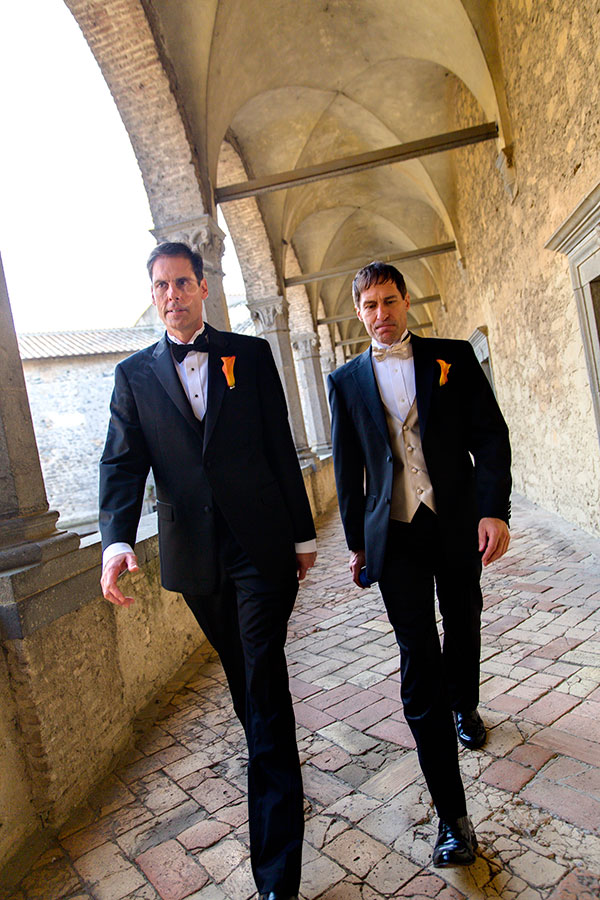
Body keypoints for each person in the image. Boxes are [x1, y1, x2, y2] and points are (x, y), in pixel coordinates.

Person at [100, 241, 316, 900]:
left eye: (183, 283)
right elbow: (122, 464)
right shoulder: (132, 376)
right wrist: (115, 541)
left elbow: (280, 443)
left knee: (263, 683)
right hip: (197, 560)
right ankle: (272, 759)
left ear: (202, 287)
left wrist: (303, 533)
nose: (172, 294)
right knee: (249, 681)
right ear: (154, 292)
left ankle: (277, 871)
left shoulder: (248, 356)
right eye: (161, 285)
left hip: (262, 549)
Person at [328, 261, 511, 867]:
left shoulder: (453, 357)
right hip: (397, 535)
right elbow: (348, 468)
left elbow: (490, 435)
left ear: (407, 300)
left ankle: (466, 700)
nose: (380, 315)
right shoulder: (346, 380)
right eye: (369, 306)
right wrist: (357, 542)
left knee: (462, 618)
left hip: (456, 520)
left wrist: (494, 510)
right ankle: (452, 818)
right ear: (358, 312)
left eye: (389, 300)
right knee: (417, 658)